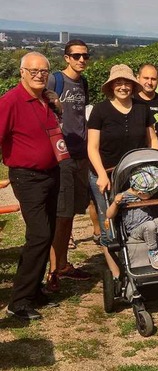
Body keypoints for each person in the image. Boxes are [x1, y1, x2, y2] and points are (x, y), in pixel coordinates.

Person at [0, 52, 60, 320]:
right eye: (33, 71)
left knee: (46, 234)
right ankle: (19, 301)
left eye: (44, 72)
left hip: (51, 173)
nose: (39, 75)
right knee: (38, 235)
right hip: (27, 177)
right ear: (22, 72)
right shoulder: (10, 101)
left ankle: (33, 290)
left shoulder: (45, 100)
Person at [87, 64, 158, 279]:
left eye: (127, 82)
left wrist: (155, 166)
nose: (123, 87)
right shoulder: (100, 110)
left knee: (139, 215)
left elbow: (152, 139)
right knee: (108, 219)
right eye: (118, 83)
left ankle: (140, 259)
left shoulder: (141, 109)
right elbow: (92, 147)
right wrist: (100, 174)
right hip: (105, 173)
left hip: (136, 174)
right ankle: (117, 273)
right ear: (111, 86)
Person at [44, 40, 92, 293]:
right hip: (62, 156)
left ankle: (62, 264)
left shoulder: (82, 83)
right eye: (76, 56)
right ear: (66, 58)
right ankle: (53, 271)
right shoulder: (55, 81)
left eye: (85, 55)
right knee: (61, 214)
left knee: (71, 212)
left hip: (81, 154)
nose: (81, 60)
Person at [106, 164, 158, 270]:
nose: (152, 196)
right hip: (136, 231)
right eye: (150, 194)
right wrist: (115, 203)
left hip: (151, 225)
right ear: (140, 192)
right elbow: (109, 215)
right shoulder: (123, 197)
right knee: (149, 225)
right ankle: (153, 252)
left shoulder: (142, 195)